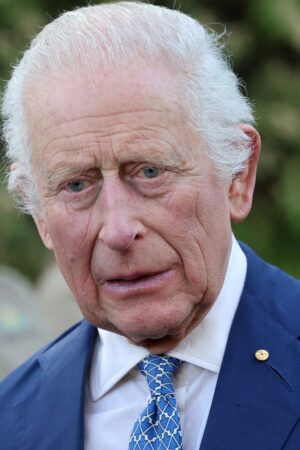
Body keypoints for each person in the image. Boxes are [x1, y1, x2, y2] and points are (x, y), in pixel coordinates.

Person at [0, 2, 299, 449]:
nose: (118, 231)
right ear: (40, 214)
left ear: (237, 176)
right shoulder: (11, 419)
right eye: (77, 184)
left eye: (150, 172)